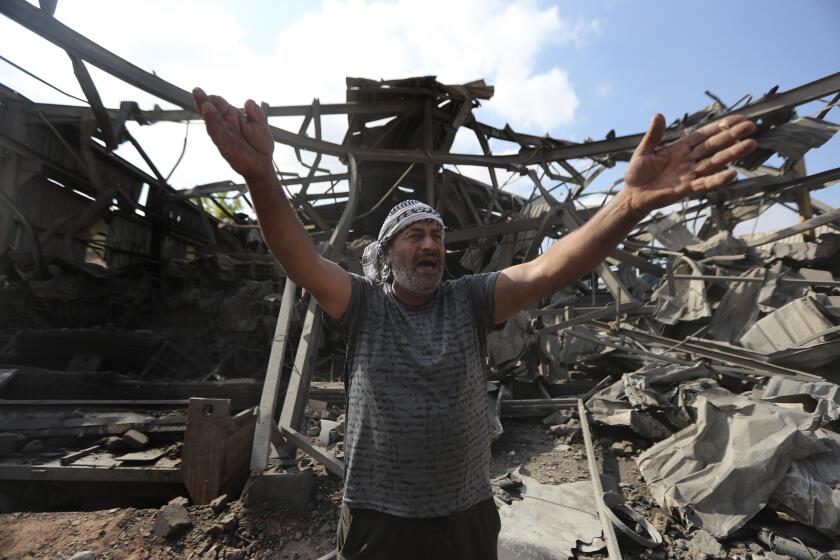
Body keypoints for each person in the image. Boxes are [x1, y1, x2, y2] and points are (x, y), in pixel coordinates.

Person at [193, 87, 757, 559]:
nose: (431, 243)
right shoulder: (365, 304)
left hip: (466, 515)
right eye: (416, 235)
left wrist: (627, 204)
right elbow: (301, 258)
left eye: (437, 235)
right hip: (377, 517)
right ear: (387, 254)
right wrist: (263, 177)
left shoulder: (468, 300)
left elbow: (548, 268)